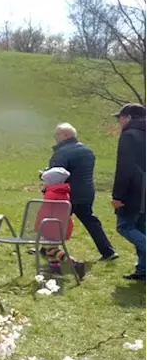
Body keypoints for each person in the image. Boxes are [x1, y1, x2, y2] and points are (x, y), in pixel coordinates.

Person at [49, 123, 117, 261]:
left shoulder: (61, 152)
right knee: (90, 220)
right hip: (87, 191)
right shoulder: (87, 150)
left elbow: (55, 175)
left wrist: (44, 177)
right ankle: (108, 251)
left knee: (53, 221)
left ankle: (48, 249)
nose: (55, 137)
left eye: (57, 134)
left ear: (66, 135)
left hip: (67, 193)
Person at [111, 104, 147, 282]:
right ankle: (143, 269)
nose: (119, 122)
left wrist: (118, 196)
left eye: (121, 118)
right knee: (141, 227)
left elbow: (124, 168)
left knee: (125, 226)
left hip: (136, 190)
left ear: (129, 118)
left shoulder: (129, 136)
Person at [36, 167, 84, 277]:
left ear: (51, 182)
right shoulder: (63, 192)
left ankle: (74, 263)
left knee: (52, 250)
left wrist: (39, 225)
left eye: (45, 181)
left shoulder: (50, 195)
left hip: (51, 227)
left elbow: (45, 212)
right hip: (60, 226)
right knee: (51, 248)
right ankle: (55, 268)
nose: (43, 183)